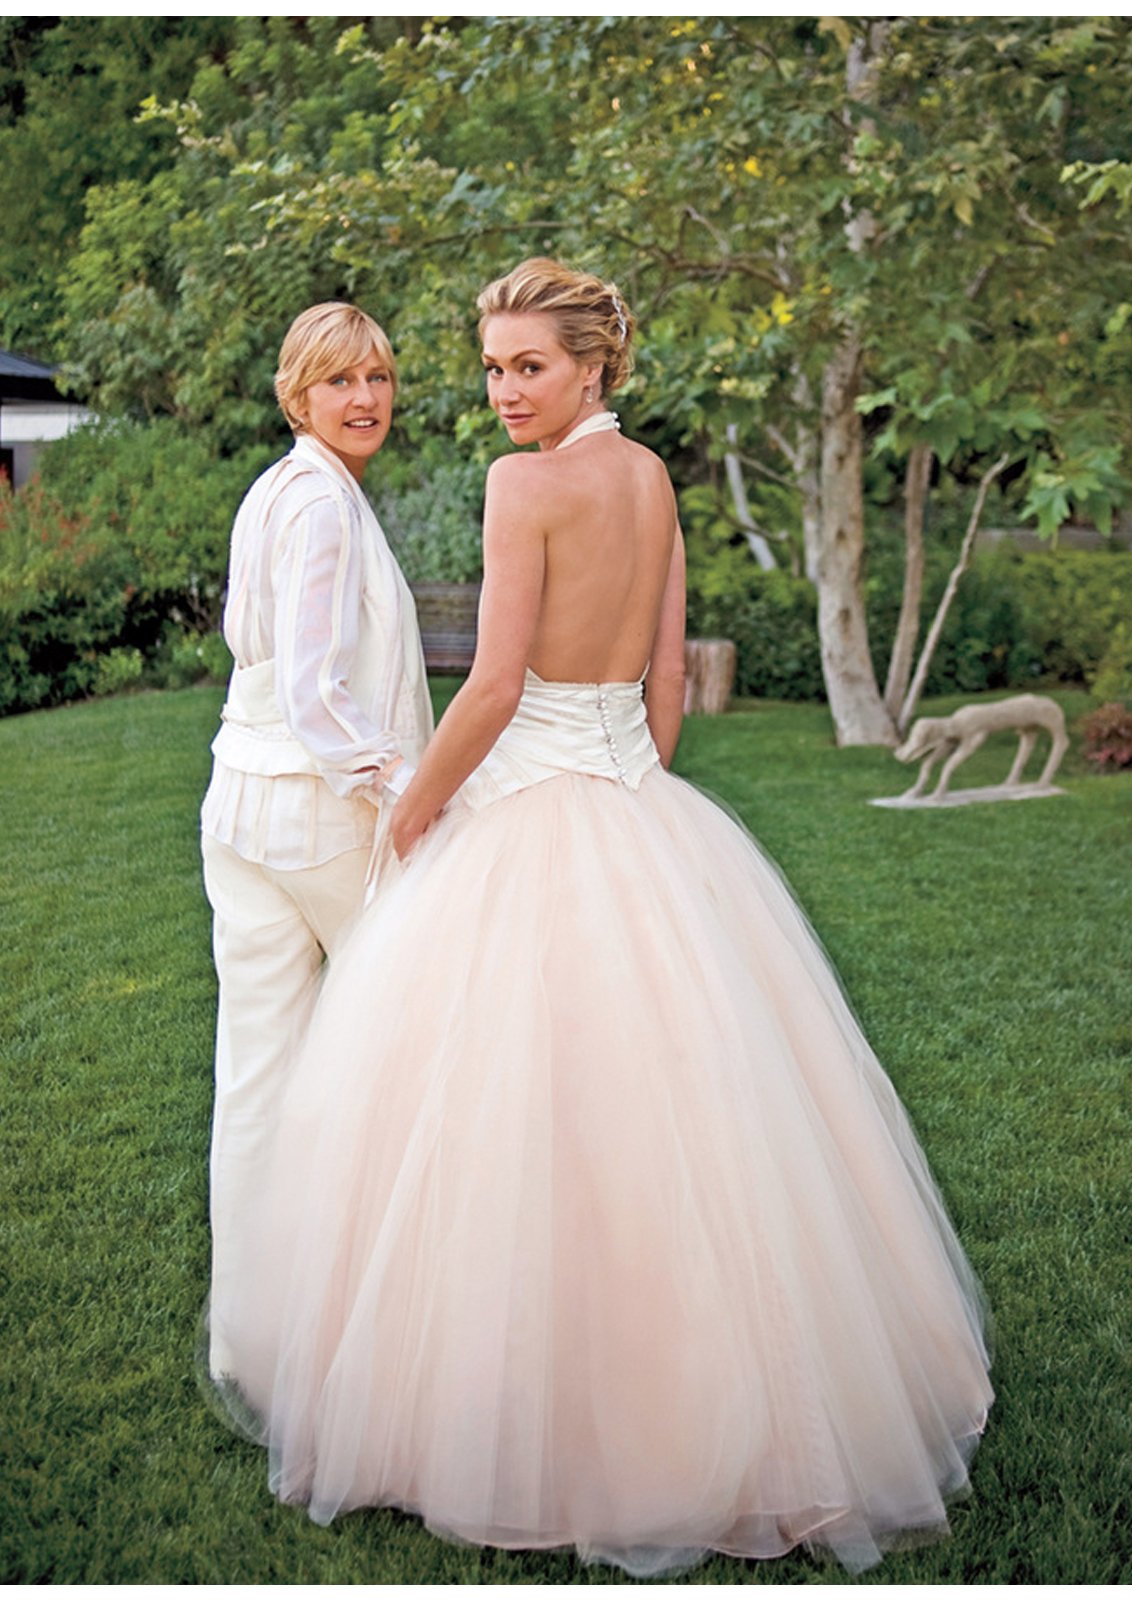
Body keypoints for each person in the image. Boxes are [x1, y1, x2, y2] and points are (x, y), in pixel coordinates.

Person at [212, 259, 992, 1575]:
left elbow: (498, 681)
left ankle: (525, 1414)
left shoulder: (529, 487)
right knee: (693, 1115)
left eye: (530, 367)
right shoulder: (649, 480)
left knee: (495, 1119)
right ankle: (730, 1398)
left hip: (529, 804)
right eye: (494, 366)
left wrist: (414, 810)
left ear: (593, 367)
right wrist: (637, 774)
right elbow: (667, 678)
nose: (504, 393)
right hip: (642, 806)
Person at [201, 302, 432, 1385]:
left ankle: (254, 1335)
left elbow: (250, 655)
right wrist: (406, 780)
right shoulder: (323, 505)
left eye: (378, 378)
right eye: (340, 381)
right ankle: (391, 1315)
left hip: (237, 807)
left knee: (259, 1069)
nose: (366, 399)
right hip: (312, 813)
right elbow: (310, 691)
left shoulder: (278, 491)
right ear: (299, 394)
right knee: (417, 1036)